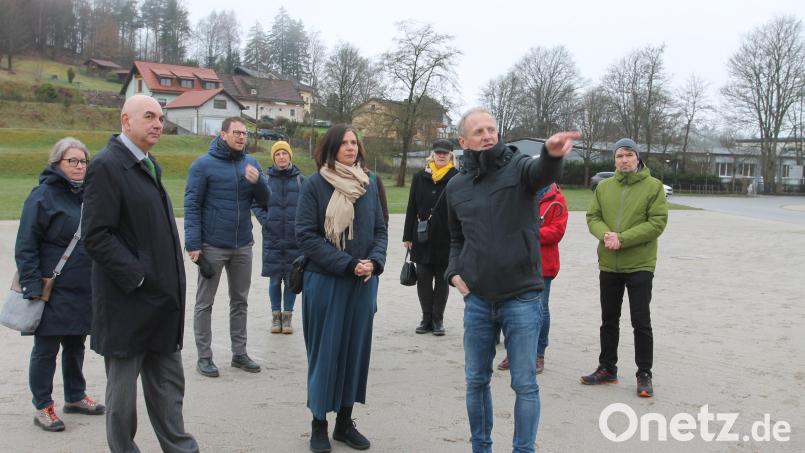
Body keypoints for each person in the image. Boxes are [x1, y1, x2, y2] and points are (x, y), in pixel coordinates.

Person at [445, 107, 578, 453]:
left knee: (524, 383)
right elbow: (456, 238)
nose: (488, 135)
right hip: (477, 299)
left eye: (492, 129)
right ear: (464, 141)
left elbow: (541, 172)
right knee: (476, 381)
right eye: (479, 131)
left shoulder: (519, 167)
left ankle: (523, 449)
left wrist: (550, 154)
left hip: (522, 297)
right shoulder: (456, 186)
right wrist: (453, 272)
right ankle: (481, 447)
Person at [82, 94, 198, 452]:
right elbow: (96, 235)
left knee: (168, 389)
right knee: (122, 401)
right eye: (149, 116)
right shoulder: (106, 165)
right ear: (125, 120)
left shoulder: (149, 163)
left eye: (161, 118)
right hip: (127, 305)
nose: (158, 124)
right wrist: (139, 276)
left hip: (161, 304)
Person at [296, 124, 387, 452]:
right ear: (331, 147)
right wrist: (348, 264)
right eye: (344, 143)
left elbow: (380, 228)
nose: (351, 147)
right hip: (325, 282)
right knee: (325, 354)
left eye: (355, 142)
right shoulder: (314, 184)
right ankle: (318, 424)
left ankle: (344, 423)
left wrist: (374, 262)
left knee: (354, 353)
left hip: (363, 284)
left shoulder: (371, 183)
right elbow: (305, 236)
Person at [15, 137, 105, 432]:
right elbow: (26, 244)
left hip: (82, 286)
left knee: (76, 345)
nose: (79, 167)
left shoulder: (88, 195)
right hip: (51, 287)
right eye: (73, 161)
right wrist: (31, 285)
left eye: (83, 161)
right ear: (57, 164)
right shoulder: (42, 196)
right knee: (46, 349)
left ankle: (75, 396)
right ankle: (43, 405)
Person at [582, 137, 668, 398]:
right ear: (614, 160)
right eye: (620, 156)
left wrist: (623, 238)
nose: (624, 160)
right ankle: (607, 368)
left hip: (640, 263)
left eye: (629, 155)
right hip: (609, 263)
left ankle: (644, 373)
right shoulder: (604, 187)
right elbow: (592, 217)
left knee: (641, 320)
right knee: (609, 319)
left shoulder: (653, 187)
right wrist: (606, 235)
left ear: (638, 158)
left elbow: (657, 222)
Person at [184, 116, 270, 377]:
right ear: (223, 135)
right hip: (212, 245)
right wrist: (193, 244)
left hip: (243, 244)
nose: (241, 137)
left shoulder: (251, 163)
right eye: (236, 133)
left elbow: (266, 202)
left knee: (240, 301)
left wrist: (259, 183)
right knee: (204, 303)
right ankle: (204, 356)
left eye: (244, 133)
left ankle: (239, 354)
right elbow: (192, 205)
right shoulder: (203, 166)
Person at [497, 182, 568, 373]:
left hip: (542, 264)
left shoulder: (557, 199)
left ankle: (538, 354)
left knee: (540, 309)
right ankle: (513, 352)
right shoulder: (516, 193)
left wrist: (528, 233)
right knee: (510, 308)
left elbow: (556, 232)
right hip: (514, 261)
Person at [402, 138, 459, 336]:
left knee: (442, 282)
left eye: (445, 153)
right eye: (438, 152)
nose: (441, 155)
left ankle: (438, 320)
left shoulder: (457, 178)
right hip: (422, 236)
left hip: (446, 238)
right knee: (424, 281)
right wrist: (407, 236)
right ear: (433, 154)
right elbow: (411, 207)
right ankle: (426, 318)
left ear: (451, 155)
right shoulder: (419, 177)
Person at [252, 140, 306, 334]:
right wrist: (267, 221)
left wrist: (301, 226)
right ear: (273, 158)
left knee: (292, 279)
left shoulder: (302, 181)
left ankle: (287, 317)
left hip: (294, 238)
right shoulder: (265, 180)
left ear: (290, 156)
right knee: (275, 279)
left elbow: (309, 206)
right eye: (277, 154)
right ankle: (276, 317)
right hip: (273, 238)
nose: (281, 157)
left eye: (284, 154)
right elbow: (256, 204)